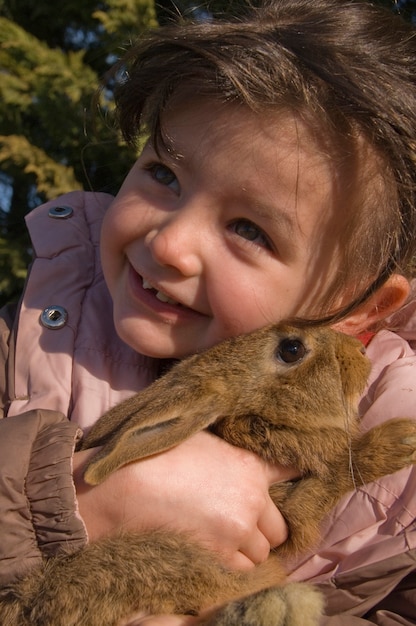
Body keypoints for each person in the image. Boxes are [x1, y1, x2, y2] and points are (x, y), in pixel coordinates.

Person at [0, 0, 415, 624]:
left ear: (356, 306)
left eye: (249, 229)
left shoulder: (399, 467)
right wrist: (75, 493)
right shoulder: (33, 336)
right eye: (164, 173)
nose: (167, 242)